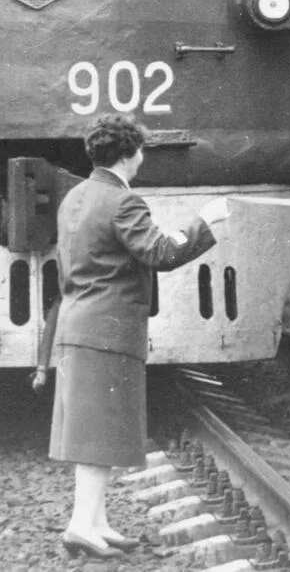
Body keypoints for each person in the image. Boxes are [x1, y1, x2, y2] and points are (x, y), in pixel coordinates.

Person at [50, 115, 226, 559]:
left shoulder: (75, 196)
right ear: (130, 155)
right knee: (97, 434)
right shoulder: (123, 202)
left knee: (95, 430)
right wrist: (204, 222)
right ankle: (80, 526)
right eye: (141, 150)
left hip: (79, 325)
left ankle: (95, 521)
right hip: (108, 332)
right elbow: (162, 253)